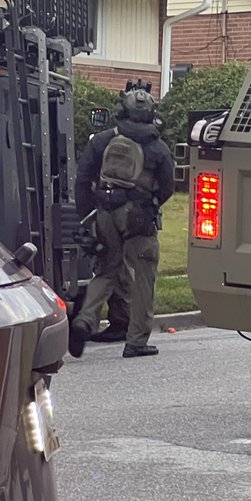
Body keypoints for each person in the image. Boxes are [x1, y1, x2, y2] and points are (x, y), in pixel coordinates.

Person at [69, 81, 174, 358]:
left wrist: (89, 216)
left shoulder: (102, 141)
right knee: (143, 276)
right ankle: (136, 341)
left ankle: (84, 320)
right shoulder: (158, 147)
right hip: (139, 218)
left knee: (106, 269)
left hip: (105, 213)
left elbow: (82, 181)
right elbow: (167, 187)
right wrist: (149, 206)